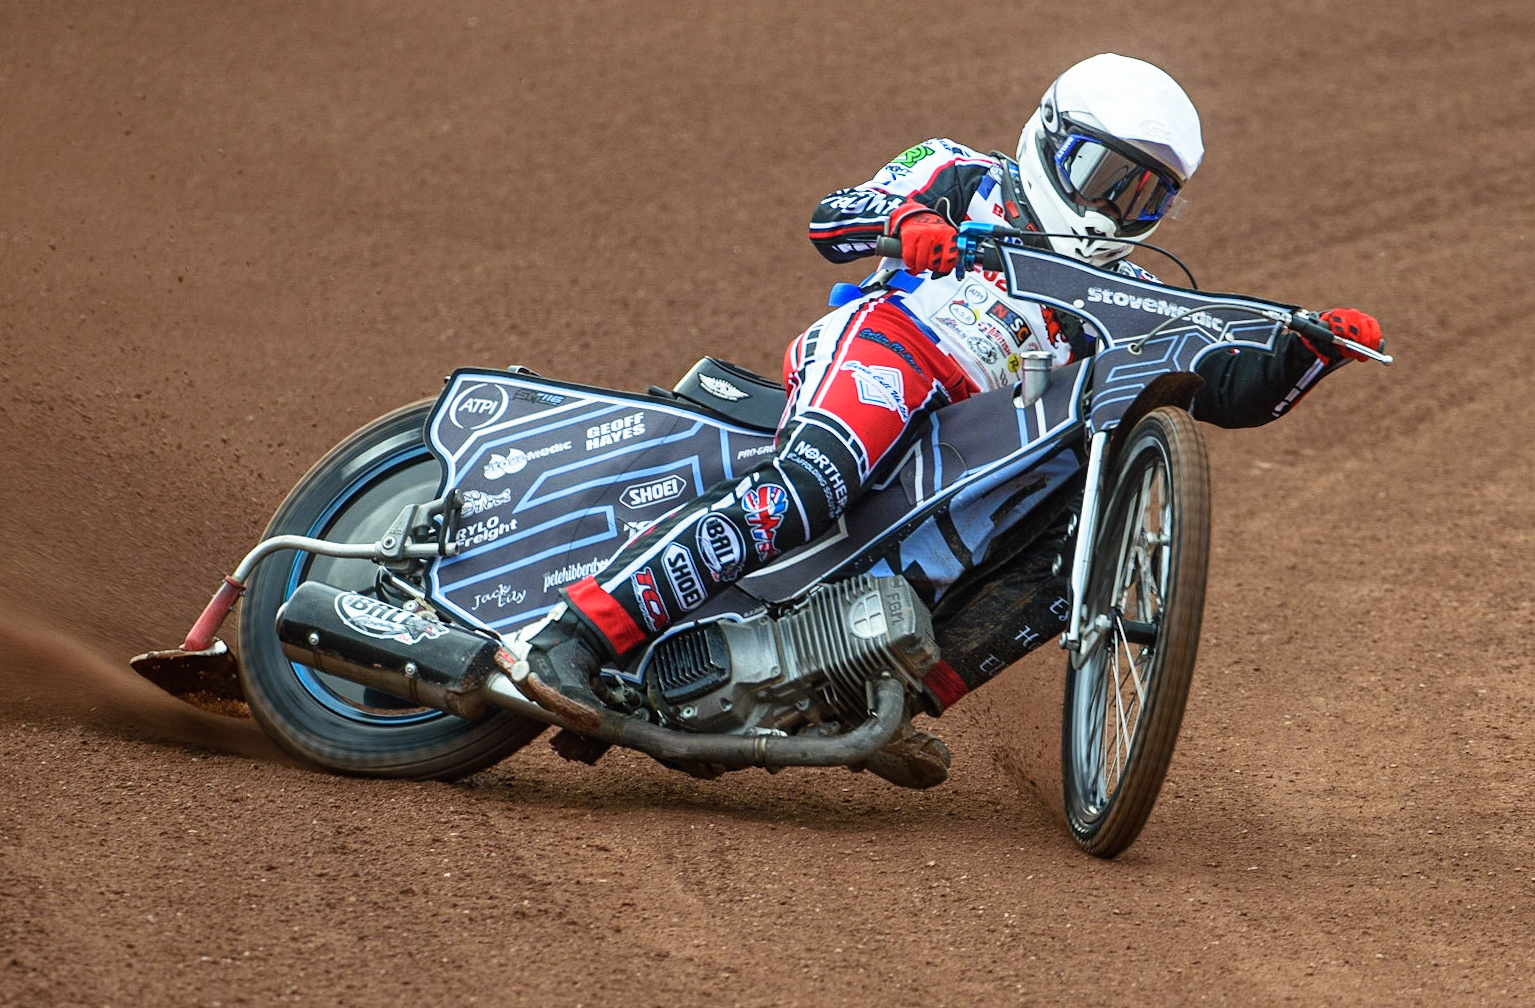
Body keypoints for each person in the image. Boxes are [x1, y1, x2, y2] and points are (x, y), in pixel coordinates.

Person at [516, 53, 1381, 786]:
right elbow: (832, 218)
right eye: (1104, 177)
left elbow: (1219, 388)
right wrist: (911, 222)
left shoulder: (1134, 296)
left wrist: (1304, 357)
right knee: (810, 484)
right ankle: (576, 639)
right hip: (894, 344)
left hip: (970, 441)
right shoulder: (960, 172)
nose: (1116, 210)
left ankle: (867, 700)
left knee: (1065, 542)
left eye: (1145, 198)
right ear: (1050, 139)